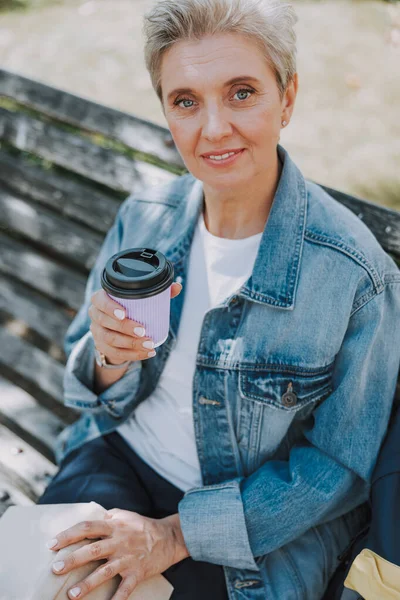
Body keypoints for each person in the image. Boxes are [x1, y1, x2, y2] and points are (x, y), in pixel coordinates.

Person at [37, 0, 400, 598]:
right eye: (185, 101)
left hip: (252, 530)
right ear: (166, 112)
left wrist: (173, 536)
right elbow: (88, 386)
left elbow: (338, 470)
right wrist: (110, 357)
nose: (212, 129)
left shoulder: (355, 277)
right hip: (116, 462)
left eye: (240, 93)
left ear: (286, 99)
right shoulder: (145, 220)